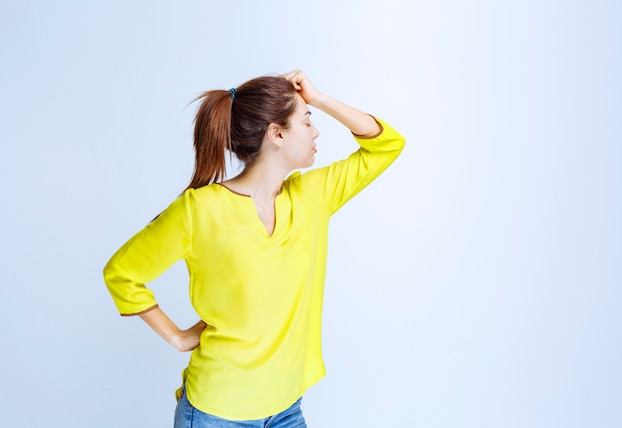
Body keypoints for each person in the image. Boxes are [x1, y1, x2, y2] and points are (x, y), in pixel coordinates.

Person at [103, 70, 405, 427]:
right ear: (277, 134)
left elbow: (387, 144)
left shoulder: (312, 197)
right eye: (307, 121)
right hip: (215, 413)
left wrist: (317, 97)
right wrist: (177, 337)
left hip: (286, 409)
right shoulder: (201, 209)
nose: (316, 130)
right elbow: (122, 272)